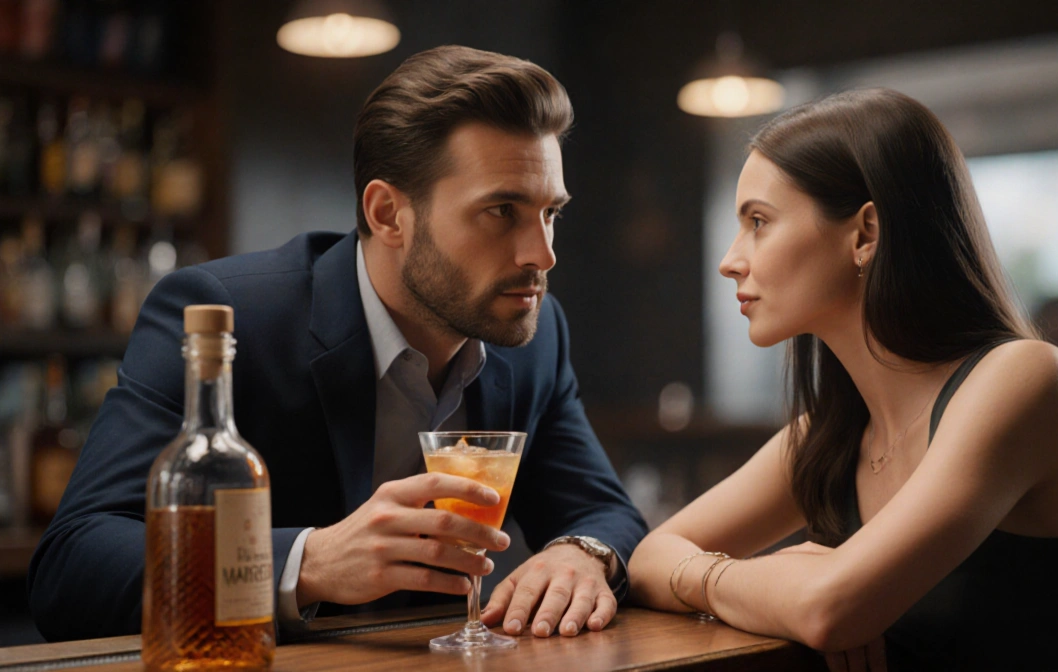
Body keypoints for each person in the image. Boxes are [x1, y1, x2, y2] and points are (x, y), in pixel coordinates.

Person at [30, 45, 647, 642]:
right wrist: (309, 561)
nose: (543, 255)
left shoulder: (532, 336)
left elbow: (607, 515)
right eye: (502, 211)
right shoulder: (226, 317)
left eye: (550, 213)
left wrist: (582, 554)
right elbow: (74, 566)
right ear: (386, 214)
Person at [628, 89, 1058, 671]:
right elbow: (648, 558)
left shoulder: (1029, 380)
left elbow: (826, 609)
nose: (730, 260)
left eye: (759, 222)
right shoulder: (830, 435)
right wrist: (776, 581)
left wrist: (792, 584)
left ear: (865, 234)